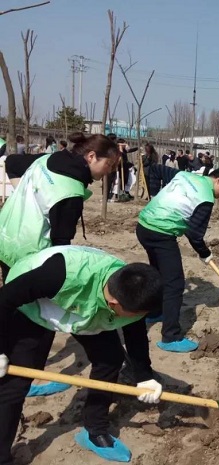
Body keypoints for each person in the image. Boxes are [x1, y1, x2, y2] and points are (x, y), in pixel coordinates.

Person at [0, 245, 164, 463]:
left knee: (110, 359)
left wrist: (144, 376)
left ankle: (94, 430)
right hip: (34, 306)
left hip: (86, 310)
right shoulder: (58, 276)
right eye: (137, 313)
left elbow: (136, 334)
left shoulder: (133, 292)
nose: (139, 317)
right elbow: (5, 300)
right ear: (114, 303)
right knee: (15, 383)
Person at [0, 132, 120, 397]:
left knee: (14, 310)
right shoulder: (70, 191)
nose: (109, 171)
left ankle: (13, 364)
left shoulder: (51, 160)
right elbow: (61, 247)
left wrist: (25, 194)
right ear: (91, 156)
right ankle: (22, 378)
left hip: (7, 241)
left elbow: (14, 162)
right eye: (108, 165)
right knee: (37, 324)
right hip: (30, 257)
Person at [136, 168, 219, 353]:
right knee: (174, 284)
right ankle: (170, 337)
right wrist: (205, 253)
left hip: (143, 226)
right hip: (161, 233)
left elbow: (155, 171)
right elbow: (194, 234)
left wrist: (157, 195)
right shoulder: (206, 198)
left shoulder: (184, 174)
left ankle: (155, 312)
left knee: (157, 273)